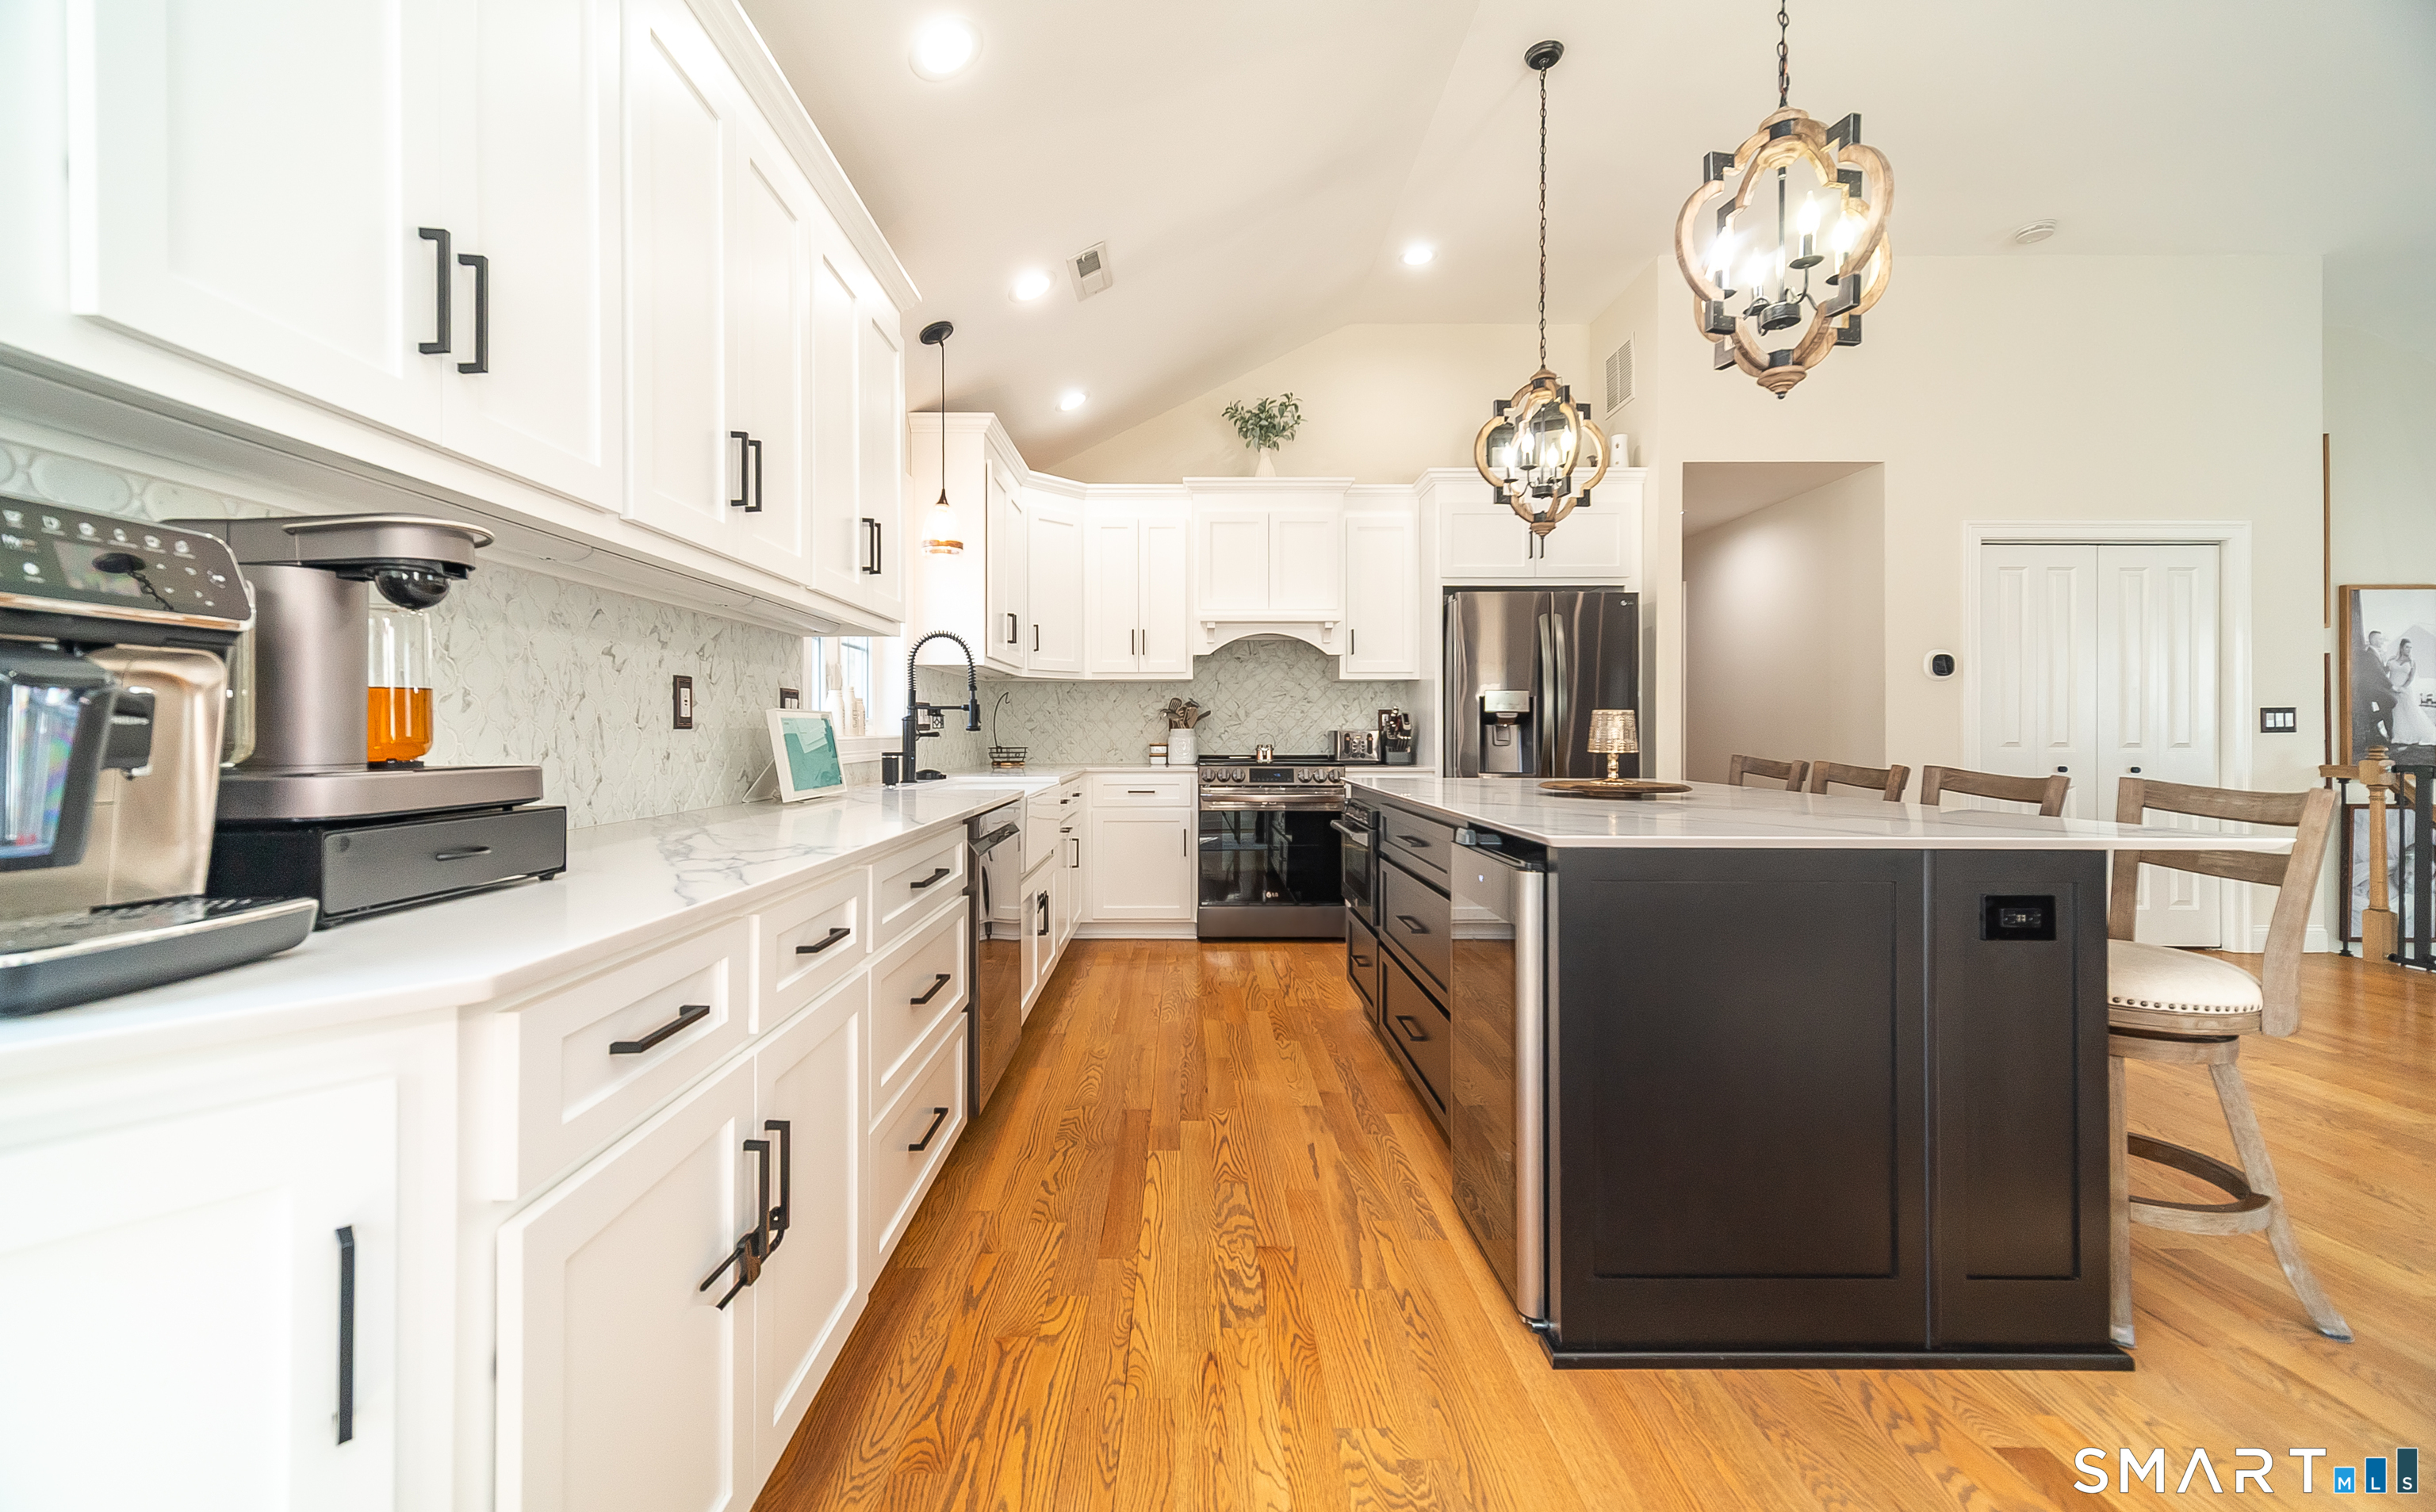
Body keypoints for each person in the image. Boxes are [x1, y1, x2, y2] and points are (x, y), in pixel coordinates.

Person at [2388, 637, 2435, 746]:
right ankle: (2396, 734)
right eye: (2407, 647)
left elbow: (2410, 679)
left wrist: (2401, 688)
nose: (2409, 650)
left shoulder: (2412, 662)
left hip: (2404, 690)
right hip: (2392, 690)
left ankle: (2414, 733)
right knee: (2396, 713)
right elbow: (2388, 674)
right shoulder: (2392, 660)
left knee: (2409, 712)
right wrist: (2392, 687)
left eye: (2410, 647)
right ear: (2401, 648)